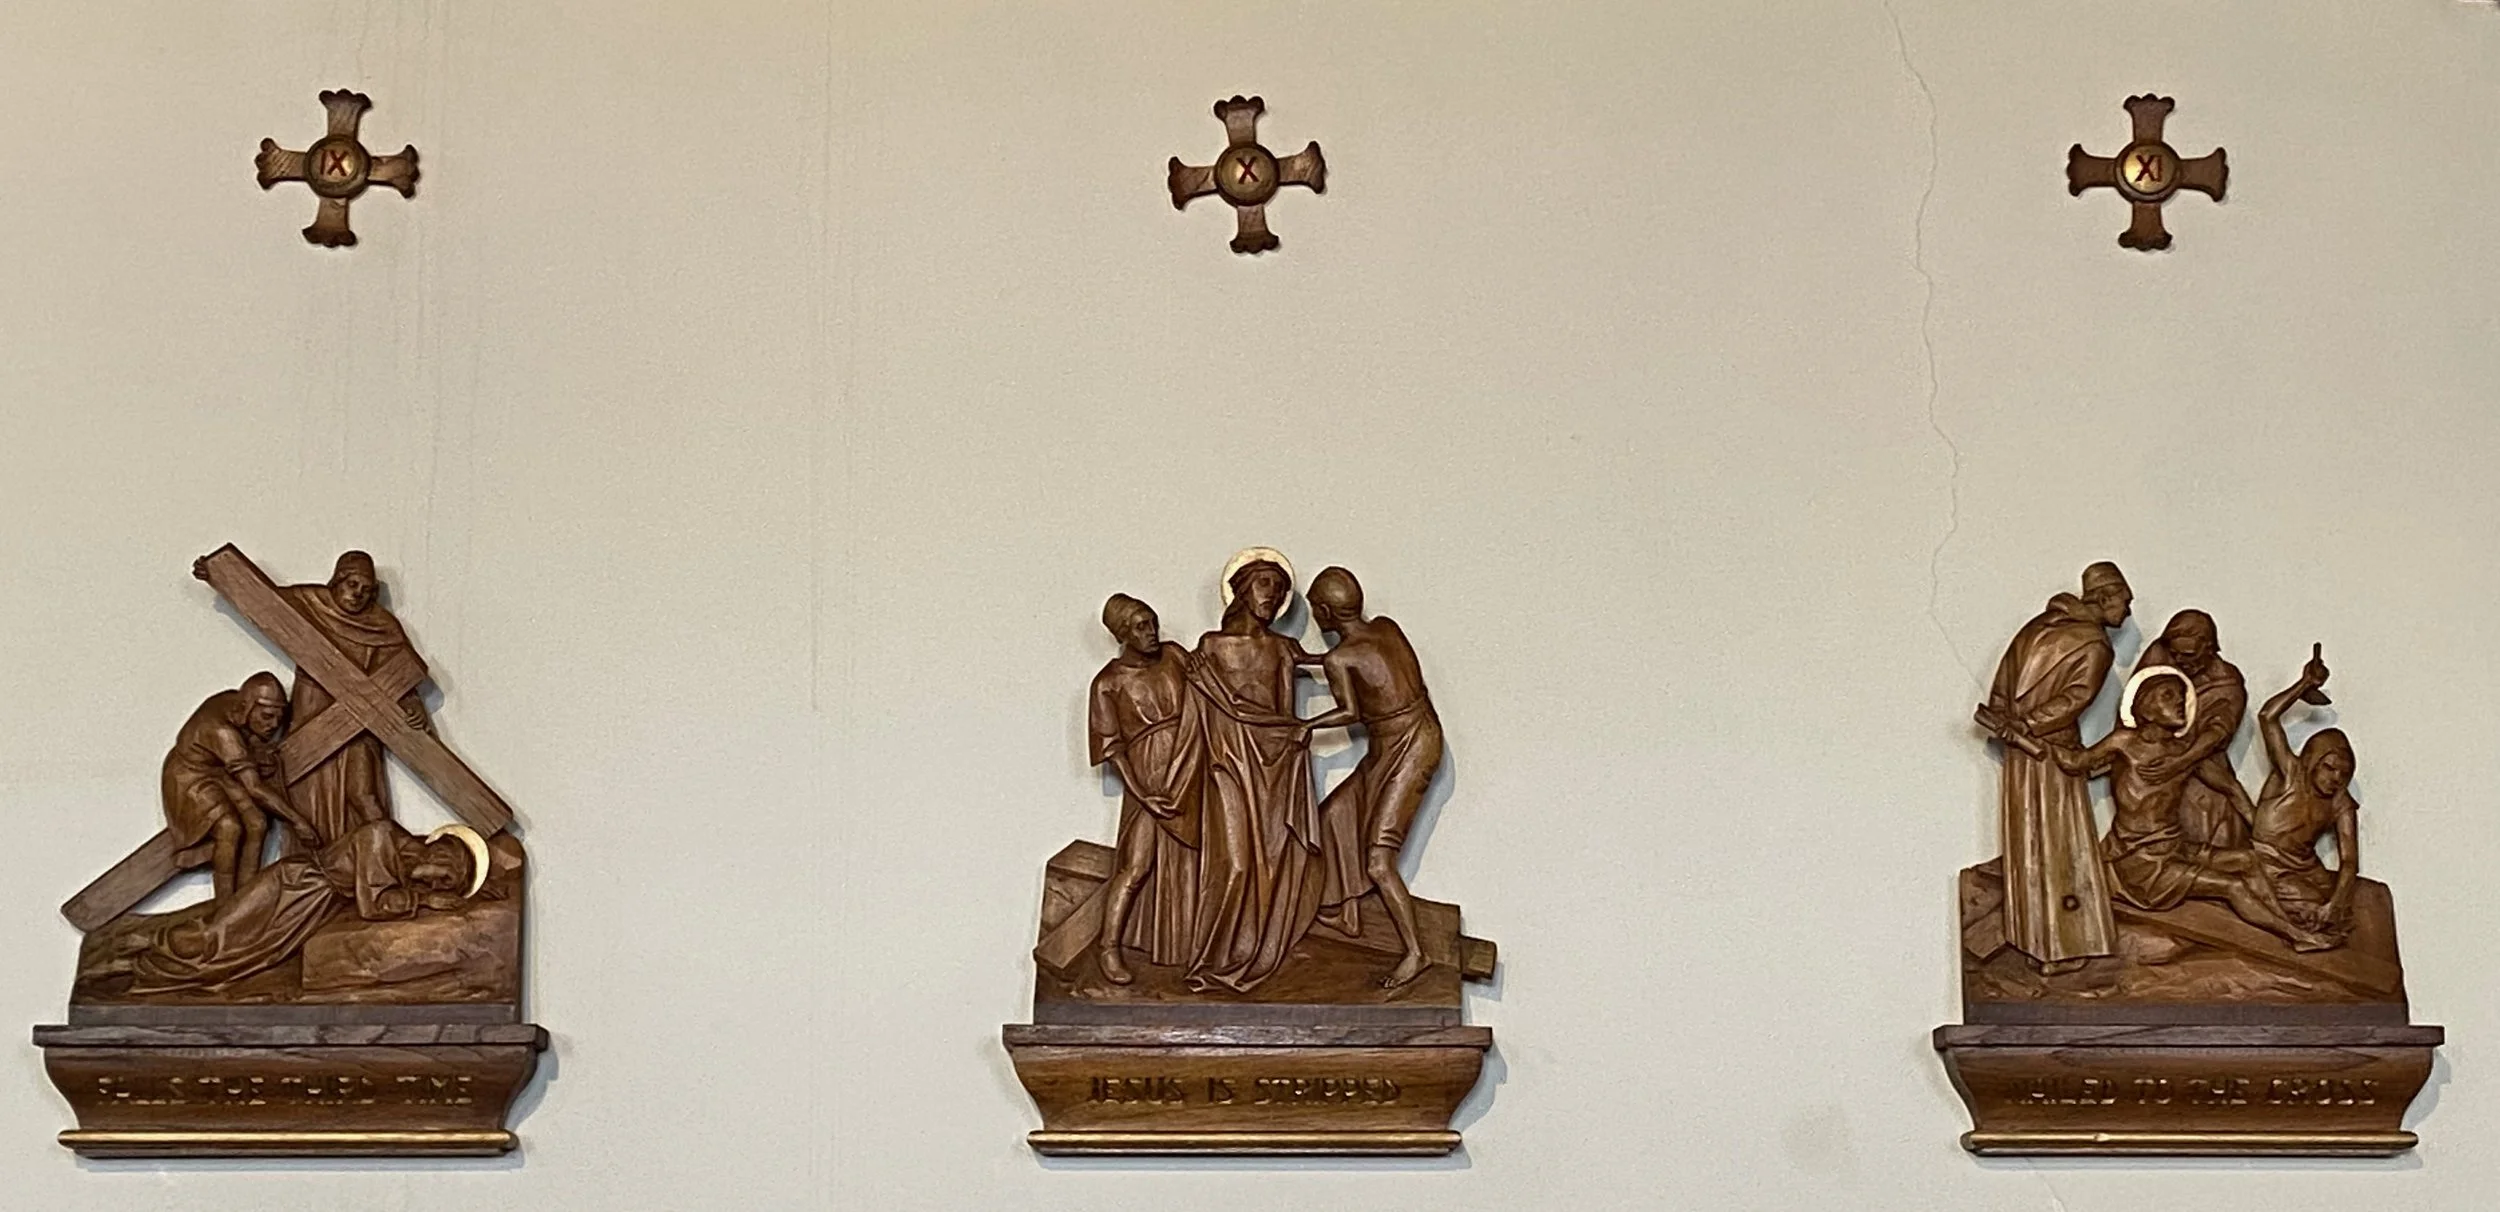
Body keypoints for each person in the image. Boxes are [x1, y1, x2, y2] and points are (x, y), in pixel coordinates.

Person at [2053, 668, 2333, 952]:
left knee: (2248, 860)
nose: (2179, 701)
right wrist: (2041, 735)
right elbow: (2076, 762)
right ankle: (2296, 935)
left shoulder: (2184, 753)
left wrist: (2262, 834)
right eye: (2168, 695)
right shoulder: (2123, 743)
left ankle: (2287, 923)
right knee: (2232, 887)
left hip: (2175, 849)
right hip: (2141, 863)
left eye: (2181, 695)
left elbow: (2230, 788)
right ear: (2145, 707)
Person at [198, 550, 430, 849]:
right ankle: (315, 866)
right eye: (352, 584)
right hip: (311, 714)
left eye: (366, 589)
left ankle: (388, 857)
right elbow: (262, 602)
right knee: (306, 794)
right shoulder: (311, 602)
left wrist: (412, 705)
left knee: (363, 795)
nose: (358, 594)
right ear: (337, 580)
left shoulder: (383, 627)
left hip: (360, 724)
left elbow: (401, 673)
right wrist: (218, 575)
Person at [111, 818, 489, 994]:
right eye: (445, 876)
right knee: (219, 933)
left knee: (249, 957)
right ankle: (137, 947)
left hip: (313, 906)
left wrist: (425, 897)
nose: (435, 884)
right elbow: (374, 905)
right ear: (440, 851)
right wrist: (425, 899)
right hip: (293, 885)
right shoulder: (381, 836)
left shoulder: (404, 870)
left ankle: (142, 967)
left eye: (444, 886)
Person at [1973, 562, 2130, 973]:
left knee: (2029, 841)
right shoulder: (2095, 645)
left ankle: (2032, 938)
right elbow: (2074, 699)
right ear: (2103, 598)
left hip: (2021, 753)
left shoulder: (2037, 627)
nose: (2128, 611)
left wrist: (2010, 722)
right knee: (2062, 843)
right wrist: (2028, 725)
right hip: (2052, 753)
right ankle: (2067, 945)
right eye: (2124, 601)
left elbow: (2004, 685)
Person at [1299, 567, 1446, 990]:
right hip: (1399, 742)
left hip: (1409, 750)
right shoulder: (1385, 628)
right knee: (1335, 816)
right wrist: (1307, 661)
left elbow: (1351, 712)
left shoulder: (1339, 659)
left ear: (1325, 612)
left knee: (1379, 861)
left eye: (1315, 610)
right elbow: (1366, 664)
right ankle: (1347, 913)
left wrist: (1305, 726)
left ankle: (1415, 953)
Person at [1183, 558, 1324, 993]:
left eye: (1279, 589)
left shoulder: (1283, 649)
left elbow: (1284, 712)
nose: (1272, 595)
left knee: (1272, 865)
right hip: (1227, 764)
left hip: (1274, 766)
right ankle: (1210, 960)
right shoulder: (1210, 648)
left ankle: (1259, 954)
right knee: (1236, 863)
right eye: (1265, 584)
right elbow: (1196, 715)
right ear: (1242, 588)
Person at [1086, 594, 1207, 984]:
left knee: (1200, 862)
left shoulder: (1174, 656)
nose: (1151, 632)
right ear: (1122, 633)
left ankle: (1197, 949)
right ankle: (1109, 948)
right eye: (1141, 627)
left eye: (1152, 622)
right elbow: (1113, 749)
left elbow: (1210, 690)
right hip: (1148, 781)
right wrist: (1142, 795)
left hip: (1192, 768)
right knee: (1136, 866)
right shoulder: (1108, 683)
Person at [2247, 645, 2360, 934]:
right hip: (2267, 861)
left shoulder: (2340, 803)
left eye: (2344, 773)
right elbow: (2267, 717)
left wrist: (2337, 901)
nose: (2336, 778)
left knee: (2339, 913)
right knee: (2307, 910)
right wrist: (2305, 684)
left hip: (2306, 867)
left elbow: (2349, 861)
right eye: (2329, 768)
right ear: (2312, 761)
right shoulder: (2291, 772)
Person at [159, 673, 300, 901]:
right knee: (229, 827)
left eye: (278, 718)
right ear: (246, 707)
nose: (274, 725)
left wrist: (255, 749)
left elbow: (244, 741)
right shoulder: (223, 732)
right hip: (188, 778)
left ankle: (245, 897)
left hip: (220, 773)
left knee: (258, 822)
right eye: (267, 716)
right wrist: (298, 821)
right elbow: (254, 788)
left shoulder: (233, 703)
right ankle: (224, 904)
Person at [2133, 609, 2250, 850]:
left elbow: (2218, 732)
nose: (2180, 662)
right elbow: (2136, 709)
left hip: (2201, 769)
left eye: (2189, 654)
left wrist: (2179, 762)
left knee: (2210, 835)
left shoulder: (2227, 681)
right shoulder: (2161, 661)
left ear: (2209, 647)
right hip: (2157, 766)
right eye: (2175, 654)